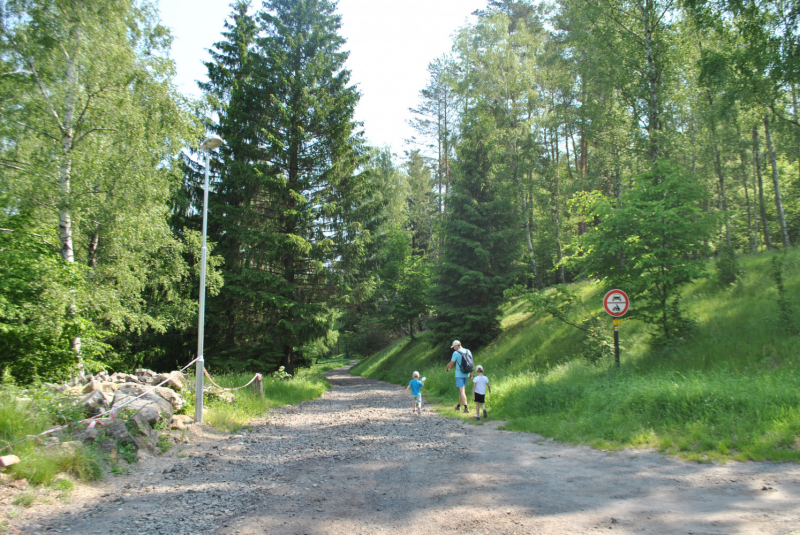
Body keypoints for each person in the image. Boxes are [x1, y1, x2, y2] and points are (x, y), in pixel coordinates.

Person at [444, 340, 471, 413]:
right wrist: (471, 373)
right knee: (462, 391)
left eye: (453, 347)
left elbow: (451, 363)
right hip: (467, 373)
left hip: (459, 374)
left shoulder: (456, 353)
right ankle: (458, 406)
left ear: (456, 346)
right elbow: (471, 363)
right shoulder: (468, 351)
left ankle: (466, 407)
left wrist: (447, 368)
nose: (453, 348)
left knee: (462, 391)